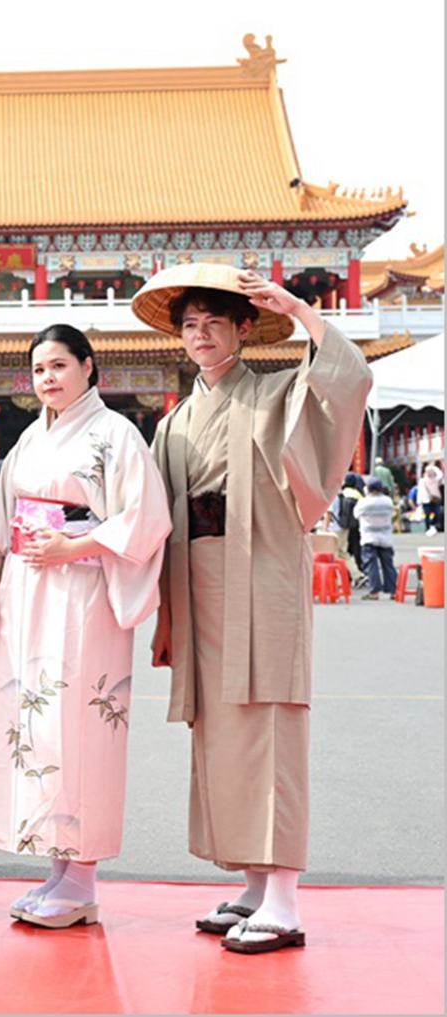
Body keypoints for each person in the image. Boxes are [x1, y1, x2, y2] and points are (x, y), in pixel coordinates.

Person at [134, 264, 371, 955]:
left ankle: (285, 899)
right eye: (190, 325)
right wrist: (163, 616)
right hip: (197, 585)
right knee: (220, 732)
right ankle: (253, 881)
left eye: (215, 323)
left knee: (270, 725)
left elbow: (349, 380)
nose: (201, 335)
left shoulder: (276, 392)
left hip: (260, 574)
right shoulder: (173, 424)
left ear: (244, 329)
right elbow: (156, 522)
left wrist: (298, 309)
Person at [0, 325, 172, 927]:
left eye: (59, 365)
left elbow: (146, 517)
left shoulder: (117, 435)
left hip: (84, 592)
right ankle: (57, 869)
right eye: (38, 369)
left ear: (88, 367)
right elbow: (1, 522)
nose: (48, 378)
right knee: (37, 723)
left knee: (80, 724)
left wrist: (73, 545)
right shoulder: (30, 438)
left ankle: (83, 879)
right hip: (26, 591)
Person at [352, 478, 397, 599]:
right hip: (386, 537)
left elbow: (356, 514)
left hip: (369, 537)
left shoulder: (364, 502)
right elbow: (392, 513)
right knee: (388, 565)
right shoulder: (388, 501)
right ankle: (393, 591)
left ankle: (374, 592)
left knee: (371, 565)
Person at [333, 472, 366, 586]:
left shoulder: (341, 494)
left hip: (339, 525)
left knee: (342, 552)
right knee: (351, 550)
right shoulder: (358, 494)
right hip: (353, 525)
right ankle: (356, 572)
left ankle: (348, 576)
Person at [421, 460, 444, 534]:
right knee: (427, 514)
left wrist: (433, 466)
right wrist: (419, 501)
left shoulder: (436, 479)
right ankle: (427, 528)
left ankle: (432, 524)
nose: (430, 473)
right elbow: (420, 492)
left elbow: (440, 474)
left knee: (438, 513)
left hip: (435, 499)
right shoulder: (423, 480)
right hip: (426, 499)